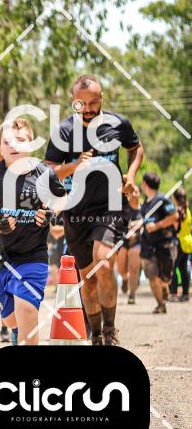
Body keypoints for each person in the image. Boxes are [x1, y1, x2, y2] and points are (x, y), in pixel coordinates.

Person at [44, 74, 143, 345]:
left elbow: (136, 148)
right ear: (73, 101)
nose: (87, 108)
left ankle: (110, 331)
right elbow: (48, 170)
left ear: (102, 99)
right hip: (76, 213)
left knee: (103, 262)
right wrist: (74, 166)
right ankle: (96, 335)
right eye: (81, 103)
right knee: (87, 278)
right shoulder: (64, 131)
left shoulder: (118, 123)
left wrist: (132, 175)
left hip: (111, 207)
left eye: (93, 102)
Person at [0, 118, 67, 346]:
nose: (13, 146)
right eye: (7, 142)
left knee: (27, 310)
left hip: (32, 256)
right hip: (0, 258)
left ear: (30, 145)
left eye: (20, 140)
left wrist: (51, 212)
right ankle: (15, 330)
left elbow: (62, 197)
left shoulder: (44, 174)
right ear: (0, 148)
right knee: (11, 319)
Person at [139, 172, 178, 314]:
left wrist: (156, 226)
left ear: (145, 183)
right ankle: (161, 305)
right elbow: (146, 221)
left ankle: (164, 285)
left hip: (165, 245)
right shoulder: (145, 203)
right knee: (152, 276)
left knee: (165, 278)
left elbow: (174, 216)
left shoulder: (163, 200)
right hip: (148, 246)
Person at [115, 186, 143, 305]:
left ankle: (132, 295)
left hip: (138, 241)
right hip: (123, 240)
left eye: (136, 191)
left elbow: (147, 223)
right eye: (132, 192)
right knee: (121, 269)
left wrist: (137, 231)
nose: (134, 194)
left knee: (134, 267)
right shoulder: (124, 208)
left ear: (140, 193)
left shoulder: (144, 209)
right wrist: (133, 226)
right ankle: (125, 279)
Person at [169, 187, 191, 302]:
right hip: (188, 242)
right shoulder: (188, 210)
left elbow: (174, 227)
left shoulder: (176, 210)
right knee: (183, 269)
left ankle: (173, 293)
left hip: (178, 242)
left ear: (175, 198)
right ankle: (185, 294)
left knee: (173, 268)